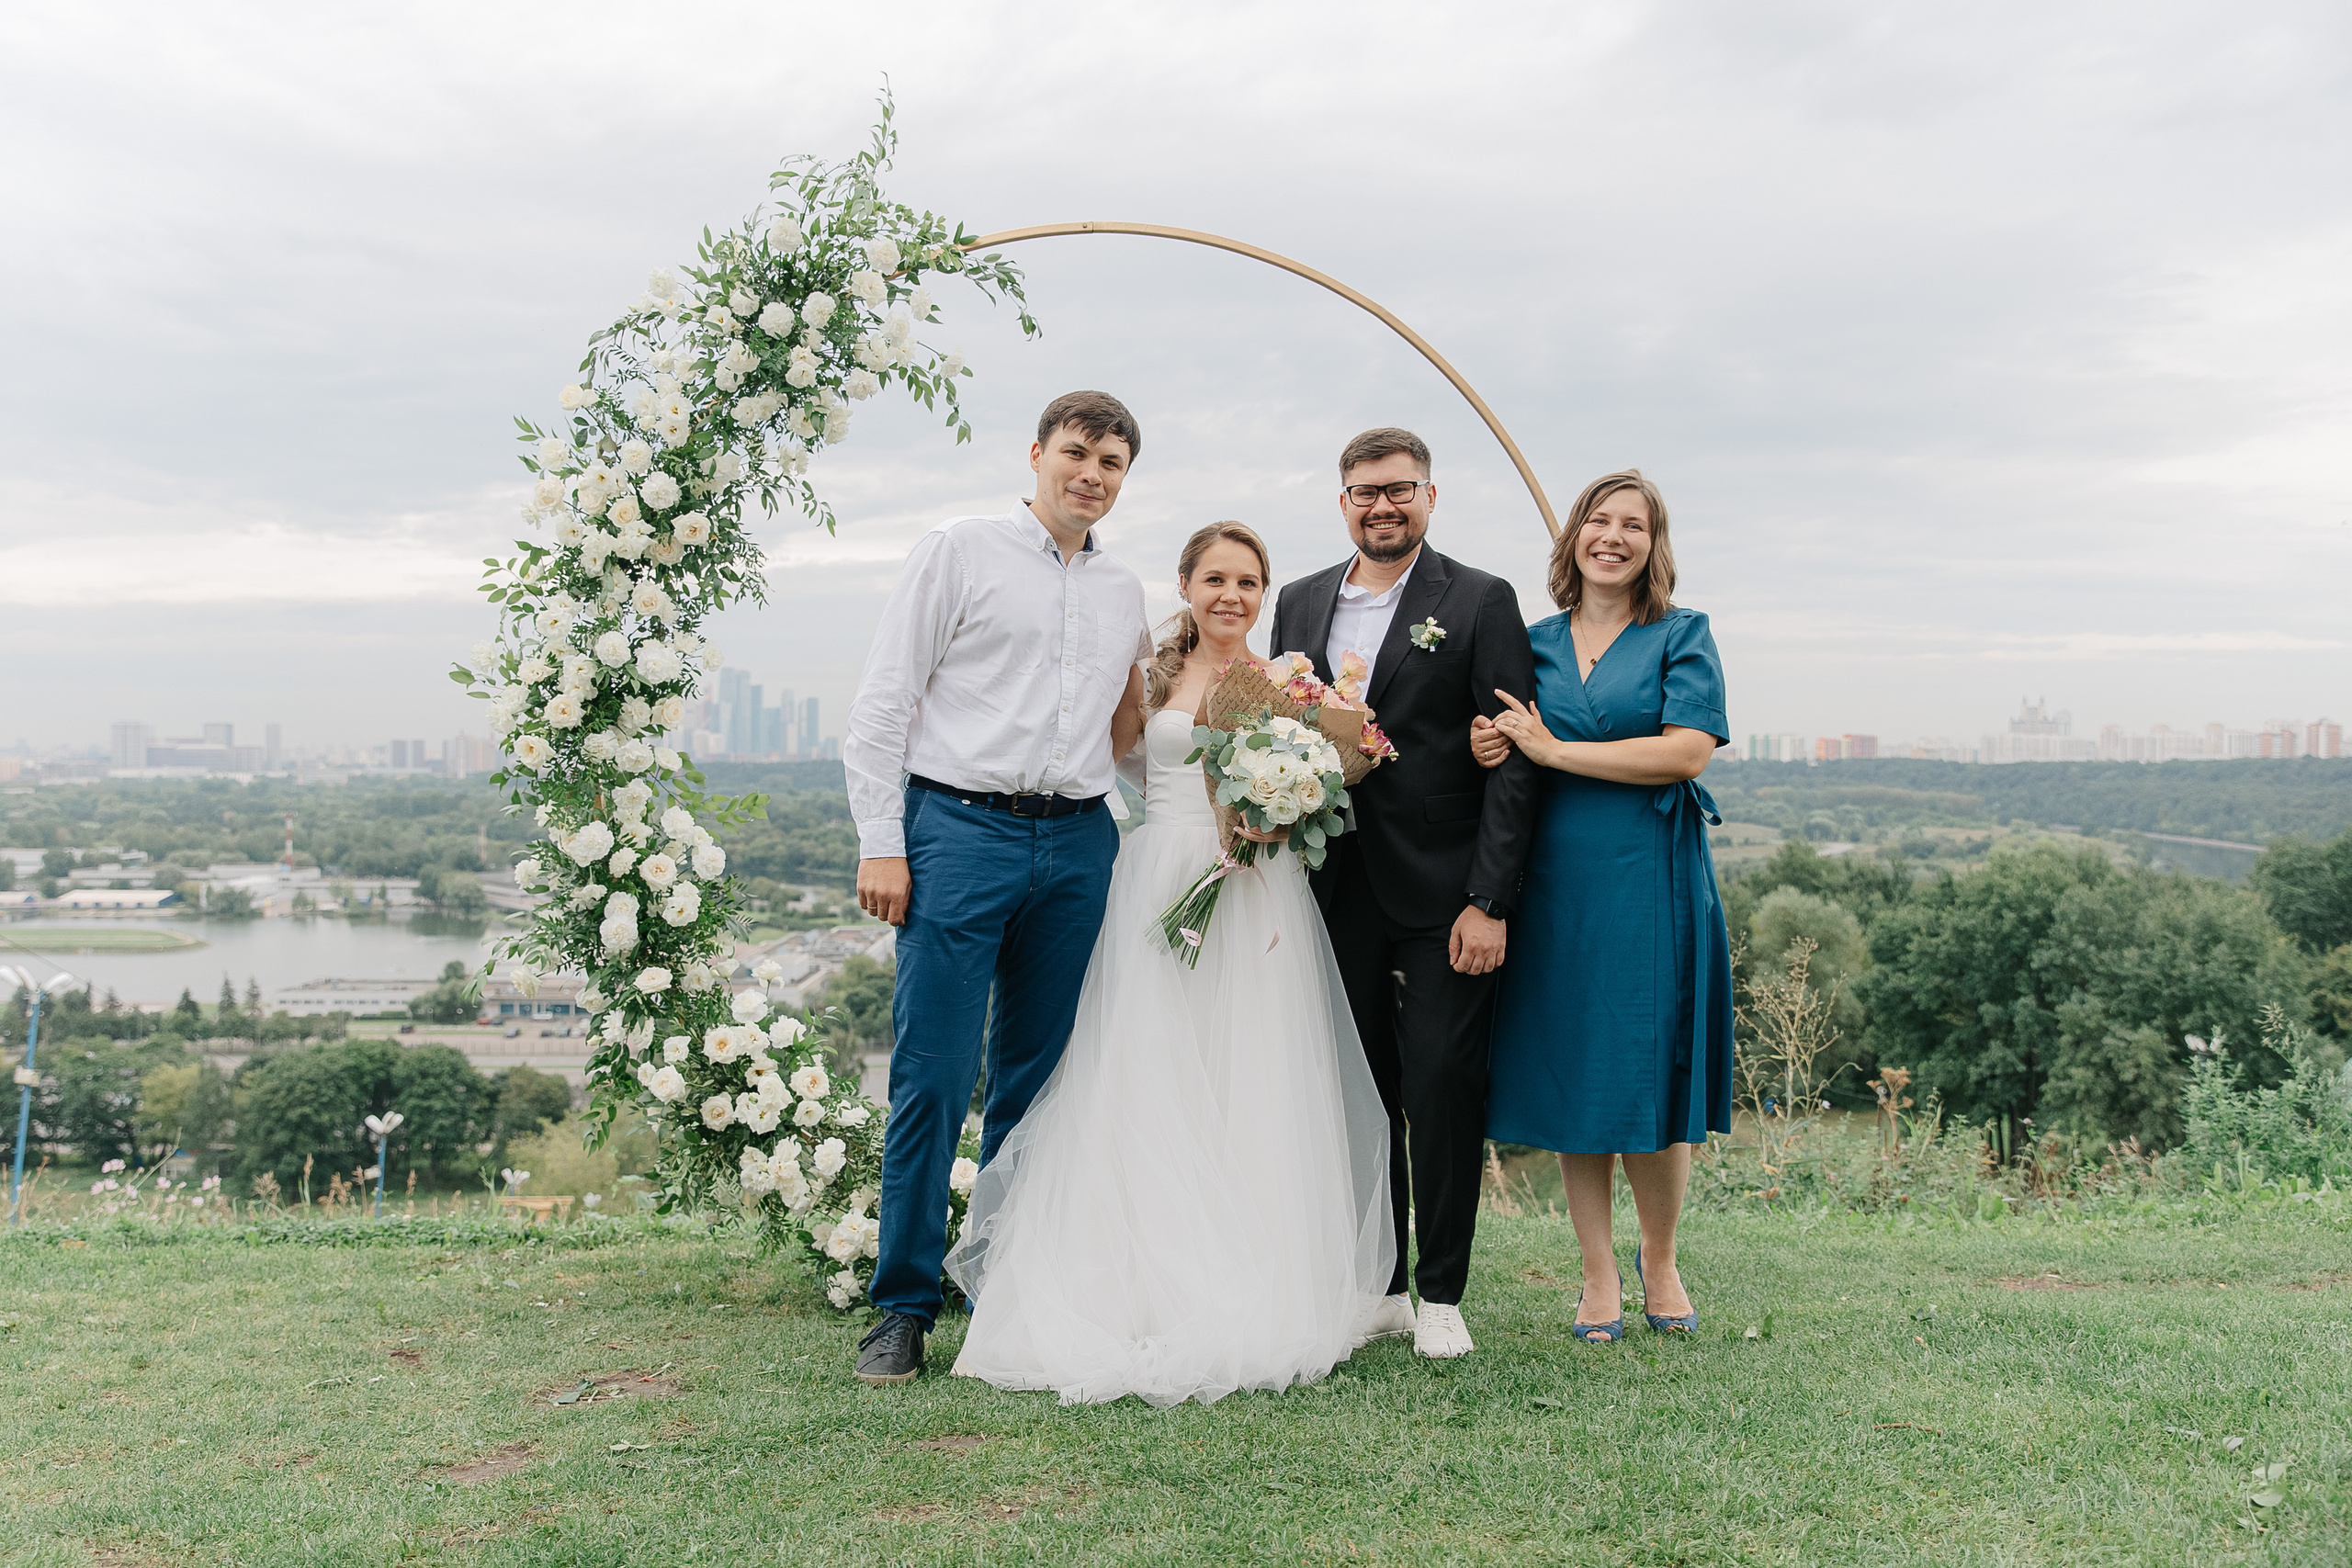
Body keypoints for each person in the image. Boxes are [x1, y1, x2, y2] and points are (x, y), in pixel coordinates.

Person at [944, 523, 1395, 1406]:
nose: (1232, 595)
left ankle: (1257, 1272)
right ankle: (1137, 1276)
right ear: (1186, 584)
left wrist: (1282, 810)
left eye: (1250, 582)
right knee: (1143, 1068)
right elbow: (1105, 754)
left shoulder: (1284, 684)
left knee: (1248, 1072)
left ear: (1265, 594)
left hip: (1257, 893)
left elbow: (1327, 772)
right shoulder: (1145, 670)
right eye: (1216, 578)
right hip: (1156, 878)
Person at [840, 390, 1154, 1385]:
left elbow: (1130, 738)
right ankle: (902, 1305)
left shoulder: (1125, 592)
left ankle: (1001, 1283)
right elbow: (884, 703)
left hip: (1076, 847)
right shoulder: (959, 551)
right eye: (1076, 453)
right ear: (1036, 455)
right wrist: (882, 843)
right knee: (931, 1076)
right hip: (957, 834)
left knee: (1036, 1081)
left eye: (1110, 463)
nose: (1090, 475)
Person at [1266, 427, 1540, 1359]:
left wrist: (1490, 899)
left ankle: (1442, 1293)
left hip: (1445, 893)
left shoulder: (1477, 599)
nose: (1381, 505)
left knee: (1441, 1082)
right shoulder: (1298, 603)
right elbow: (1280, 737)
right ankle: (1378, 1283)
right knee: (1358, 1090)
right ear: (1340, 501)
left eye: (1398, 489)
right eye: (1362, 492)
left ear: (1428, 495)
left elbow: (1516, 762)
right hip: (1331, 885)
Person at [1469, 468, 1734, 1342]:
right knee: (1578, 1072)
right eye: (1599, 519)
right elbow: (1506, 744)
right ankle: (1596, 1275)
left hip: (1650, 875)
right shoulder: (1533, 641)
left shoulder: (1681, 634)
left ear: (1655, 546)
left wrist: (1556, 752)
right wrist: (1493, 743)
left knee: (1650, 1071)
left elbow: (1686, 751)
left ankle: (1660, 1259)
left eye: (1634, 525)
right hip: (1555, 884)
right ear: (1574, 533)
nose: (1613, 536)